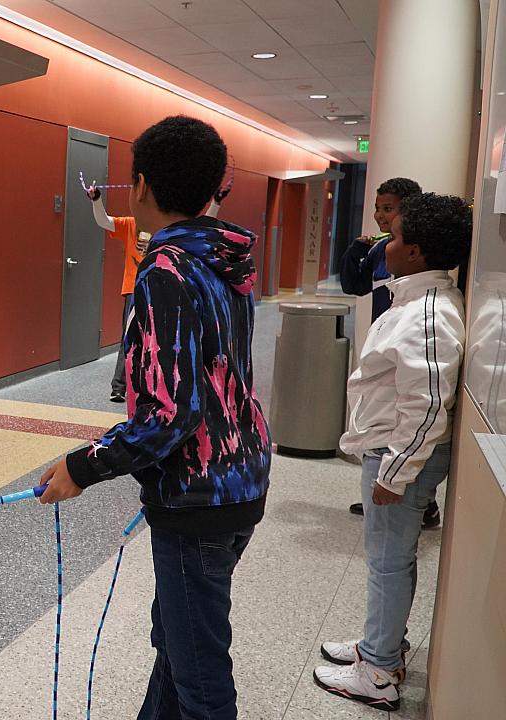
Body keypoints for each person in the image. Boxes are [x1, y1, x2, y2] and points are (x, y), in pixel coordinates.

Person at [41, 116, 271, 720]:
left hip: (198, 497)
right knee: (176, 645)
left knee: (200, 680)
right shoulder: (226, 260)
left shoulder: (167, 271)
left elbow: (169, 414)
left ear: (141, 184)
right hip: (241, 476)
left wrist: (82, 467)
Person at [314, 193, 472, 712]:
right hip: (390, 449)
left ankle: (379, 671)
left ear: (417, 251)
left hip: (398, 456)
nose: (386, 243)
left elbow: (427, 406)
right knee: (390, 559)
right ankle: (380, 645)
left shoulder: (429, 314)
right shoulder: (416, 298)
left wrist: (394, 473)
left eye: (396, 236)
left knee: (387, 562)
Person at [340, 177, 441, 529]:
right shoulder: (380, 249)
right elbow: (354, 285)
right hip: (385, 344)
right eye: (378, 208)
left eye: (389, 209)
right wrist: (357, 250)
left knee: (406, 419)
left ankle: (421, 502)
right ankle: (380, 486)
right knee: (380, 418)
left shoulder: (419, 259)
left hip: (408, 346)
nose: (380, 216)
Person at [87, 184, 147, 403]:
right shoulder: (131, 224)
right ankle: (119, 387)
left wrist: (215, 203)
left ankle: (149, 389)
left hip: (161, 288)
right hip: (134, 289)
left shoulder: (166, 227)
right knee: (129, 337)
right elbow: (104, 221)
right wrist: (96, 200)